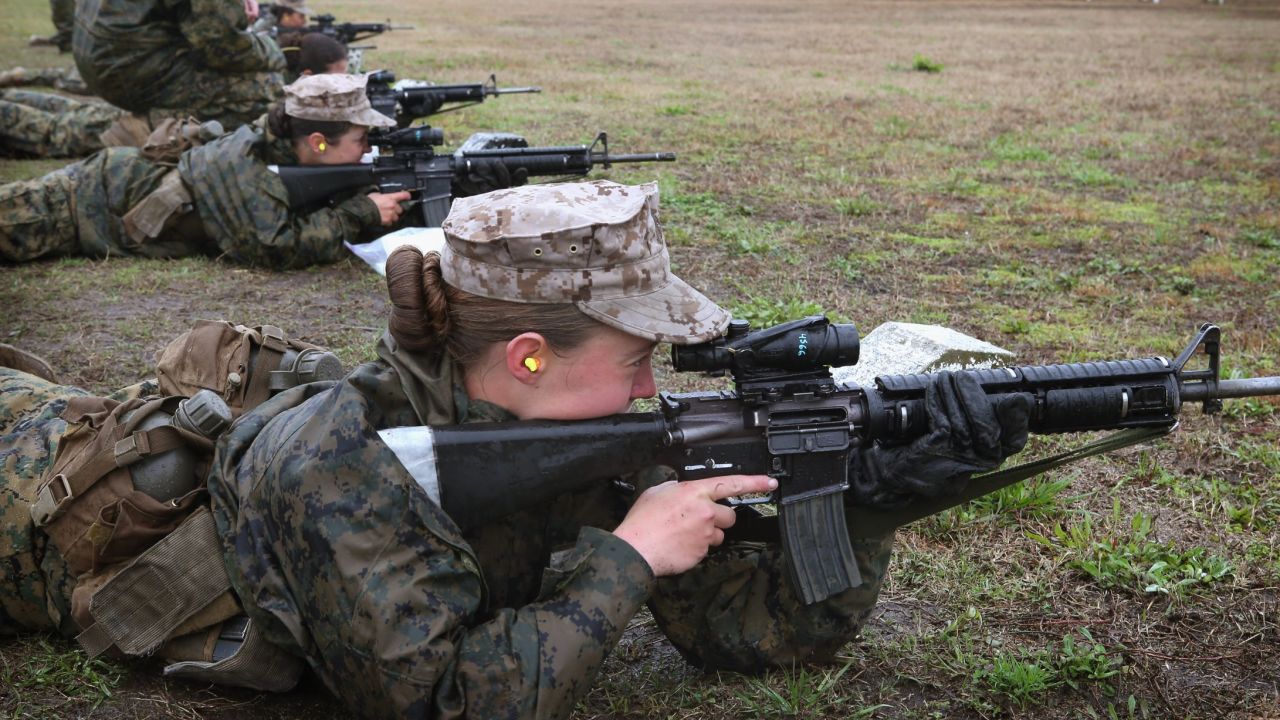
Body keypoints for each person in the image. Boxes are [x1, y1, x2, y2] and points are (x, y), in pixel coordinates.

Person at [0, 180, 1032, 718]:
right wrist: (626, 560)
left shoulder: (588, 431)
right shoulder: (340, 465)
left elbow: (745, 636)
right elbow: (438, 703)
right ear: (529, 358)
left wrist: (864, 506)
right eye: (636, 357)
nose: (652, 387)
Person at [0, 73, 410, 268]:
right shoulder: (246, 167)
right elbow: (276, 247)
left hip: (101, 187)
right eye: (360, 141)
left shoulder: (271, 144)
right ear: (318, 141)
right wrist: (362, 212)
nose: (367, 151)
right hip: (74, 206)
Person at [0, 34, 348, 160]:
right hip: (147, 131)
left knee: (67, 113)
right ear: (306, 75)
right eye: (337, 78)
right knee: (52, 132)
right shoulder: (275, 96)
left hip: (150, 116)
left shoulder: (265, 69)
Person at [73, 0, 286, 127]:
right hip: (129, 69)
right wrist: (274, 52)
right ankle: (150, 129)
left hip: (95, 52)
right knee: (269, 89)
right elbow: (222, 48)